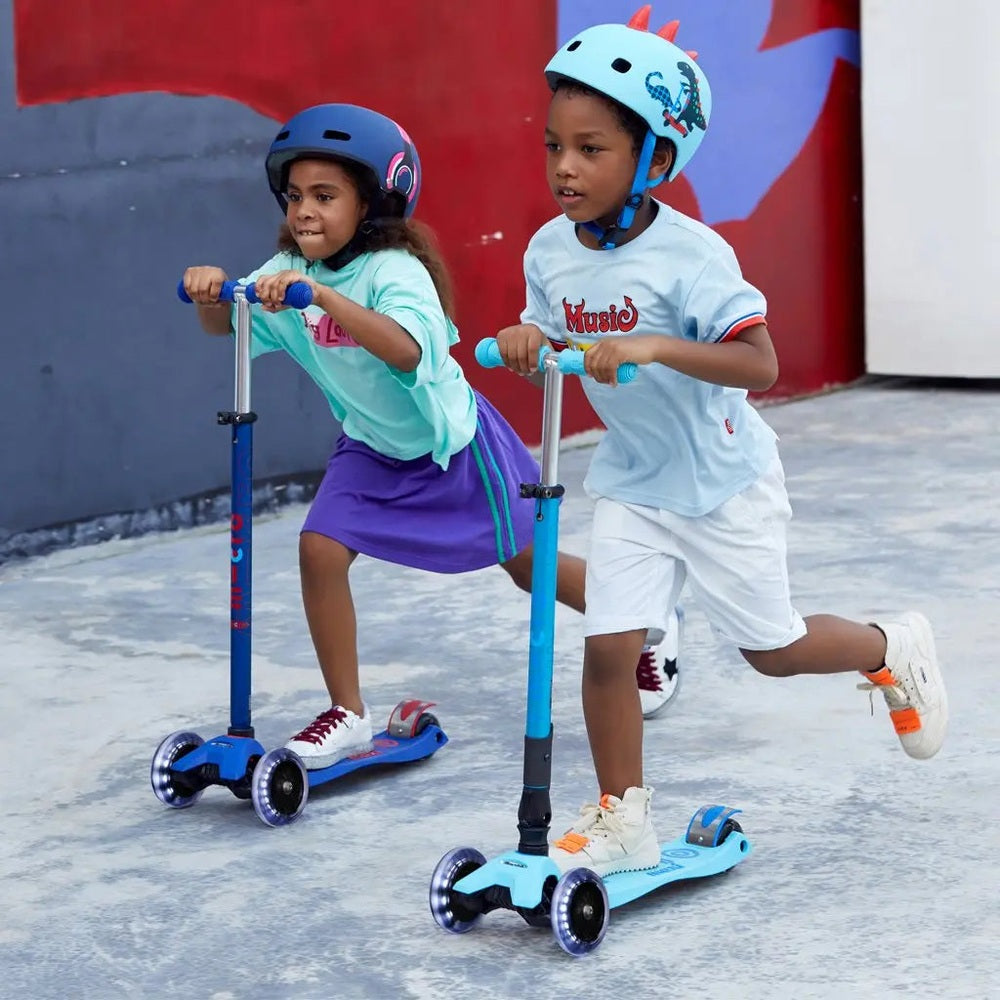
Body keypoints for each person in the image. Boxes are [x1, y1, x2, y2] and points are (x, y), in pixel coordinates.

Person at [495, 8, 948, 876]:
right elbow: (550, 333)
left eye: (591, 149)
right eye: (554, 145)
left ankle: (890, 646)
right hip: (633, 481)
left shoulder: (694, 257)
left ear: (656, 161)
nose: (564, 167)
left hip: (721, 484)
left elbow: (759, 362)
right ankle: (623, 818)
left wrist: (655, 346)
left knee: (772, 651)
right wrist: (527, 341)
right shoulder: (549, 250)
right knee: (609, 650)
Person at [181, 103, 682, 769]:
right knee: (318, 549)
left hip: (455, 447)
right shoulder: (292, 269)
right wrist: (214, 295)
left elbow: (408, 351)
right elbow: (231, 327)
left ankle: (648, 624)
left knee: (526, 567)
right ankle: (348, 713)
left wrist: (323, 298)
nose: (304, 211)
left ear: (372, 204)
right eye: (296, 195)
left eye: (325, 196)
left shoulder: (392, 272)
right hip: (371, 448)